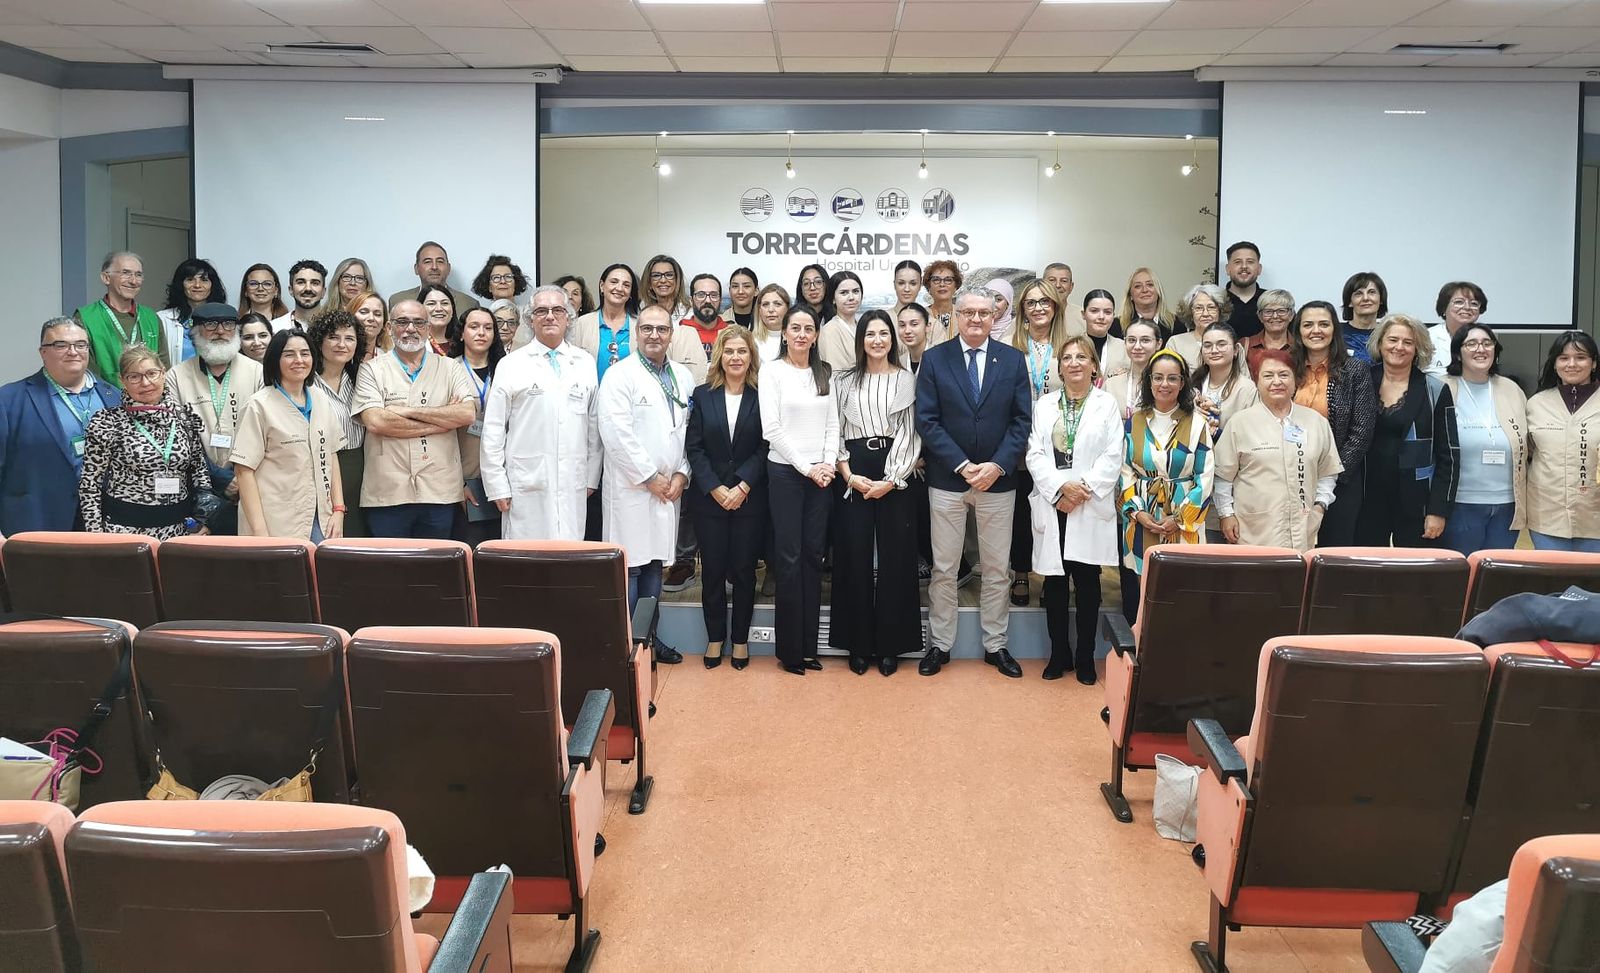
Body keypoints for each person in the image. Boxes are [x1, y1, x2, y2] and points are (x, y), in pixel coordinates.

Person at [915, 284, 1032, 679]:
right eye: (970, 313)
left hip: (998, 482)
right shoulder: (934, 360)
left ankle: (996, 645)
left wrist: (997, 466)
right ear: (957, 316)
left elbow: (1021, 422)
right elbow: (927, 421)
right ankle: (940, 645)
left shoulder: (1013, 361)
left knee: (997, 569)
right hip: (948, 481)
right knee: (944, 568)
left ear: (995, 315)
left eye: (985, 312)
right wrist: (964, 465)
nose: (978, 319)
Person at [1025, 335, 1123, 684]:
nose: (1074, 363)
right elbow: (1034, 452)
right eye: (1067, 357)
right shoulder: (1045, 405)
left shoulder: (1106, 404)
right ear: (1060, 367)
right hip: (1054, 502)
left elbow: (1114, 454)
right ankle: (1058, 654)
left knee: (1087, 583)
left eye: (1082, 356)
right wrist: (1057, 489)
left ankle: (1084, 656)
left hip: (1086, 501)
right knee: (1053, 583)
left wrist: (1081, 491)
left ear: (1094, 365)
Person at [598, 304, 691, 664]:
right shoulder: (619, 375)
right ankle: (628, 649)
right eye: (647, 329)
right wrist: (650, 478)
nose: (655, 335)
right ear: (637, 334)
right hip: (632, 488)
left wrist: (682, 474)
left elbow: (686, 432)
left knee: (655, 564)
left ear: (672, 334)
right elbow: (616, 434)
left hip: (669, 488)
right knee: (631, 566)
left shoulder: (682, 375)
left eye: (662, 329)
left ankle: (650, 641)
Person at [831, 310, 922, 677]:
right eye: (871, 334)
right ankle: (857, 644)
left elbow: (910, 431)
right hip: (853, 469)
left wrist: (893, 477)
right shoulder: (845, 381)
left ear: (893, 339)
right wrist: (849, 475)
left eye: (885, 333)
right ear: (861, 340)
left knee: (897, 559)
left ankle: (891, 646)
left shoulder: (906, 379)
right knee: (852, 557)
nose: (878, 340)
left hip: (895, 471)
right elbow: (833, 429)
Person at [481, 286, 600, 542]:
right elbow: (493, 429)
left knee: (568, 562)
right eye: (541, 311)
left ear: (568, 317)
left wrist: (590, 477)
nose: (550, 316)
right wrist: (496, 484)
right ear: (530, 318)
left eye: (558, 310)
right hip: (525, 483)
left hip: (572, 482)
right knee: (526, 565)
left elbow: (594, 426)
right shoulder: (512, 364)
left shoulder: (584, 362)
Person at [351, 299, 477, 539]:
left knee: (434, 571)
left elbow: (467, 414)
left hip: (439, 490)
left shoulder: (450, 368)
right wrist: (442, 421)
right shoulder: (371, 370)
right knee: (389, 570)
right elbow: (376, 422)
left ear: (428, 329)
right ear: (389, 327)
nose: (410, 328)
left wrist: (405, 412)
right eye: (402, 322)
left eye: (419, 322)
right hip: (388, 492)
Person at [759, 306, 838, 676]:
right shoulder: (773, 371)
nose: (802, 334)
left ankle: (809, 648)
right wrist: (808, 468)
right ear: (785, 333)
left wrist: (826, 463)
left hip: (821, 476)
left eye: (809, 328)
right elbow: (771, 429)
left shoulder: (824, 373)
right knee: (788, 561)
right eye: (796, 328)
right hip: (786, 475)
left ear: (816, 335)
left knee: (813, 559)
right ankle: (790, 652)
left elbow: (833, 424)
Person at [685, 326, 766, 671]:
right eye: (730, 351)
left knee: (745, 572)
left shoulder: (763, 395)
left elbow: (767, 445)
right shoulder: (703, 395)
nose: (736, 358)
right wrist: (715, 487)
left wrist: (744, 485)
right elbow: (694, 447)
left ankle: (741, 640)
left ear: (751, 357)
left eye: (742, 352)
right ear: (720, 356)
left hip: (749, 499)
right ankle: (715, 638)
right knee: (714, 572)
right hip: (710, 499)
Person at [1214, 350, 1342, 551]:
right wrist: (1226, 514)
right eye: (1268, 375)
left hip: (1303, 527)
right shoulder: (1239, 423)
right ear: (1256, 381)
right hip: (1252, 529)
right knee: (1256, 581)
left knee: (1298, 579)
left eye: (1284, 374)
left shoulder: (1316, 422)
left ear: (1295, 380)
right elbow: (1222, 477)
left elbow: (1328, 472)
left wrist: (1320, 505)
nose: (1277, 381)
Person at [0, 318, 120, 534]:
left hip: (106, 523)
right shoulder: (9, 400)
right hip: (37, 525)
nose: (72, 351)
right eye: (60, 345)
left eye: (80, 344)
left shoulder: (115, 397)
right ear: (42, 352)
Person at [79, 345, 212, 539]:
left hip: (179, 531)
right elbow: (90, 483)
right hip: (123, 532)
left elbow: (200, 472)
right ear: (122, 381)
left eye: (152, 373)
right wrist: (96, 535)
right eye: (134, 376)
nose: (146, 382)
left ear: (163, 373)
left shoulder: (184, 417)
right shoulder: (108, 422)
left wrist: (204, 520)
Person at [1119, 349, 1214, 619]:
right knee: (1144, 592)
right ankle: (1144, 653)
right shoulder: (1134, 422)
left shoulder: (1197, 423)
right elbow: (1125, 471)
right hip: (1141, 517)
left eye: (1172, 378)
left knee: (1182, 589)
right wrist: (1137, 512)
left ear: (1183, 383)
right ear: (1149, 381)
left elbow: (1205, 478)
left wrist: (1180, 518)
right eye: (1158, 377)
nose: (1164, 384)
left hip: (1184, 518)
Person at [231, 328, 346, 542]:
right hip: (275, 520)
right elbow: (243, 470)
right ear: (275, 359)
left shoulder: (320, 399)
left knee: (321, 574)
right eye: (289, 354)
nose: (299, 360)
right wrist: (259, 533)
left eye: (305, 353)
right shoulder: (259, 405)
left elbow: (331, 455)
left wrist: (338, 509)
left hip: (322, 516)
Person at [1356, 314, 1455, 548]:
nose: (1399, 347)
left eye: (1408, 342)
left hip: (1417, 503)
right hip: (1366, 500)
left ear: (1418, 348)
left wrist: (1438, 510)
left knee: (1414, 578)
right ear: (1380, 344)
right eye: (1392, 340)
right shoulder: (1361, 381)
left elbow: (1449, 456)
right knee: (1366, 575)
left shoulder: (1436, 390)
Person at [166, 302, 266, 535]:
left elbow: (264, 433)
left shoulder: (258, 373)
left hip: (250, 483)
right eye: (211, 324)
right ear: (196, 331)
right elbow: (176, 436)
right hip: (198, 488)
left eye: (228, 324)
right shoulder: (176, 376)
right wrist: (221, 478)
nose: (221, 331)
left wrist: (241, 477)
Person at [1438, 324, 1528, 555]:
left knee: (1497, 575)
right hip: (1459, 503)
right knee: (1462, 575)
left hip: (1507, 504)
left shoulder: (1511, 389)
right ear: (1458, 352)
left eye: (1487, 343)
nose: (1481, 349)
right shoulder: (1441, 387)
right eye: (1471, 343)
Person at [1292, 300, 1376, 547]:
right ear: (1298, 331)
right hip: (1290, 475)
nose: (1315, 330)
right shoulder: (1286, 367)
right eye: (1308, 325)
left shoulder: (1355, 369)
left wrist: (1332, 471)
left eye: (1323, 324)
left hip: (1341, 480)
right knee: (1292, 546)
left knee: (1334, 549)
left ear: (1334, 330)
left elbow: (1362, 431)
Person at [662, 273, 725, 592]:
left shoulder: (733, 332)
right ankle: (684, 560)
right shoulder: (678, 334)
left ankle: (724, 562)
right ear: (691, 298)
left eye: (713, 295)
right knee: (687, 497)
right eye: (701, 295)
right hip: (685, 426)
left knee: (723, 493)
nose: (707, 301)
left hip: (726, 428)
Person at [1008, 277, 1070, 606]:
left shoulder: (1070, 345)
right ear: (1022, 310)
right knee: (1020, 510)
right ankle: (1020, 572)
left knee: (1056, 509)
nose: (1038, 308)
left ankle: (1052, 576)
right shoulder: (1007, 344)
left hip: (1058, 446)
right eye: (1031, 303)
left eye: (1044, 301)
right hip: (1018, 443)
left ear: (1055, 306)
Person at [1525, 330, 1600, 552]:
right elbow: (1527, 452)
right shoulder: (1536, 404)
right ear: (1555, 363)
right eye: (1564, 358)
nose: (1572, 364)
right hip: (1547, 515)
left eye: (1581, 357)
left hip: (1594, 516)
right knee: (1553, 584)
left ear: (1594, 363)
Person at [1193, 321, 1259, 540]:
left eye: (1221, 344)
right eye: (1208, 345)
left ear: (1235, 349)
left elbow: (1249, 437)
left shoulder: (1245, 388)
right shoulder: (1192, 384)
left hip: (1230, 479)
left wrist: (1216, 431)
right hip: (1193, 476)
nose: (1214, 350)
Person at [447, 306, 506, 545]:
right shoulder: (448, 369)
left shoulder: (507, 369)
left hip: (503, 475)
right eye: (474, 327)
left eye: (488, 327)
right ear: (461, 333)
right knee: (469, 550)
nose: (481, 333)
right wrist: (457, 483)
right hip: (462, 474)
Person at [309, 309, 368, 538]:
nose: (341, 344)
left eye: (349, 338)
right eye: (333, 337)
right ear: (319, 341)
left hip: (361, 467)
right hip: (322, 469)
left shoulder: (361, 379)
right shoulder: (306, 383)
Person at [76, 251, 167, 386]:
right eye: (125, 273)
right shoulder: (85, 317)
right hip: (105, 401)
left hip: (149, 400)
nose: (133, 281)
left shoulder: (151, 317)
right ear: (106, 278)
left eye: (138, 275)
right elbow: (84, 369)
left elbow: (164, 364)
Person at [568, 262, 640, 384]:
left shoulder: (641, 325)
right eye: (614, 282)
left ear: (630, 293)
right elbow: (570, 367)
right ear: (602, 286)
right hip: (592, 400)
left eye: (626, 285)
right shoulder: (581, 324)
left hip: (631, 400)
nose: (619, 288)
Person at [157, 258, 226, 365]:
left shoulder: (225, 318)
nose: (197, 285)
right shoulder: (162, 319)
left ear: (212, 285)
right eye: (190, 279)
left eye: (204, 280)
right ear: (181, 284)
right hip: (176, 380)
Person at [388, 241, 479, 313]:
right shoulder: (397, 301)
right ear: (416, 269)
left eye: (440, 261)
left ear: (448, 268)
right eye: (427, 262)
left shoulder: (469, 304)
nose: (434, 267)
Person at [1425, 281, 1488, 378]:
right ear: (1444, 308)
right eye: (1459, 302)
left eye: (1474, 303)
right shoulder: (1427, 338)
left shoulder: (1485, 338)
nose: (1467, 307)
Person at [1104, 320, 1161, 420]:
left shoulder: (1165, 384)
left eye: (1145, 340)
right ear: (1124, 343)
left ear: (1158, 344)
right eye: (1131, 340)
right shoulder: (1110, 385)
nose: (1137, 346)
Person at [1168, 283, 1232, 370]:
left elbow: (1243, 381)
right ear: (1190, 313)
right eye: (1198, 308)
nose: (1205, 314)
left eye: (1211, 307)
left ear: (1220, 311)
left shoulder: (1231, 343)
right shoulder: (1175, 343)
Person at [817, 270, 864, 372]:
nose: (851, 297)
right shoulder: (830, 331)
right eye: (844, 293)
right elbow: (836, 374)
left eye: (855, 291)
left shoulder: (862, 326)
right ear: (833, 298)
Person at [1243, 288, 1296, 378]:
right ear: (1260, 317)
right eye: (1268, 312)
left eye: (1281, 311)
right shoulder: (1245, 345)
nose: (1275, 316)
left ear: (1291, 315)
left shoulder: (1300, 347)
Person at [1341, 271, 1388, 364]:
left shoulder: (1389, 333)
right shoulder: (1336, 334)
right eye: (1358, 293)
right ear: (1350, 302)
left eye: (1372, 292)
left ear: (1381, 299)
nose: (1366, 298)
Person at [1082, 289, 1128, 383]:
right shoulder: (1071, 346)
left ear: (1113, 316)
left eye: (1107, 312)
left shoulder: (1125, 348)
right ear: (1083, 314)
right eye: (1094, 311)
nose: (1101, 317)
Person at [1222, 242, 1264, 340]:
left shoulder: (1273, 302)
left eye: (1250, 262)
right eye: (1237, 262)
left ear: (1259, 269)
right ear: (1228, 269)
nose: (1244, 266)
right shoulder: (1216, 302)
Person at [1118, 267, 1174, 339]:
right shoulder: (1116, 326)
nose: (1145, 290)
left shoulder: (1177, 324)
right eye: (1138, 286)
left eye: (1150, 285)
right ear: (1130, 295)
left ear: (1158, 291)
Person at [272, 259, 327, 331]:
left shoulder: (336, 327)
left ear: (323, 292)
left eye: (315, 283)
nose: (308, 288)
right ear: (291, 290)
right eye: (301, 282)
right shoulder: (274, 328)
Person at [922, 259, 962, 346]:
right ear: (929, 287)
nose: (942, 284)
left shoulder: (963, 314)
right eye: (936, 280)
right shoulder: (921, 315)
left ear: (956, 286)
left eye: (948, 280)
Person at [1042, 262, 1087, 335]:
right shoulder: (1031, 315)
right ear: (1042, 284)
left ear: (1071, 287)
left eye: (1064, 281)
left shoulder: (1083, 317)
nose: (1057, 285)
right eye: (1052, 280)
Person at [642, 253, 690, 322]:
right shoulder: (641, 311)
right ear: (649, 283)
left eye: (669, 275)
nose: (663, 280)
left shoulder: (690, 313)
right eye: (656, 275)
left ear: (677, 280)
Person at [751, 283, 789, 360]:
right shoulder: (750, 341)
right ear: (759, 310)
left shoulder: (798, 339)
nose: (771, 309)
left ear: (787, 308)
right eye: (765, 304)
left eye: (777, 304)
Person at [417, 284, 457, 356]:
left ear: (452, 310)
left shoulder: (462, 342)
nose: (439, 309)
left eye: (444, 303)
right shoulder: (412, 343)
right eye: (431, 303)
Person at [347, 291, 388, 358]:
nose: (371, 318)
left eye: (377, 314)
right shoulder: (339, 354)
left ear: (384, 323)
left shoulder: (387, 360)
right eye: (363, 312)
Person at [986, 277, 1016, 343]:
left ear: (1008, 303)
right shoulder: (973, 328)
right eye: (989, 298)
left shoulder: (1017, 331)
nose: (992, 304)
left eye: (998, 299)